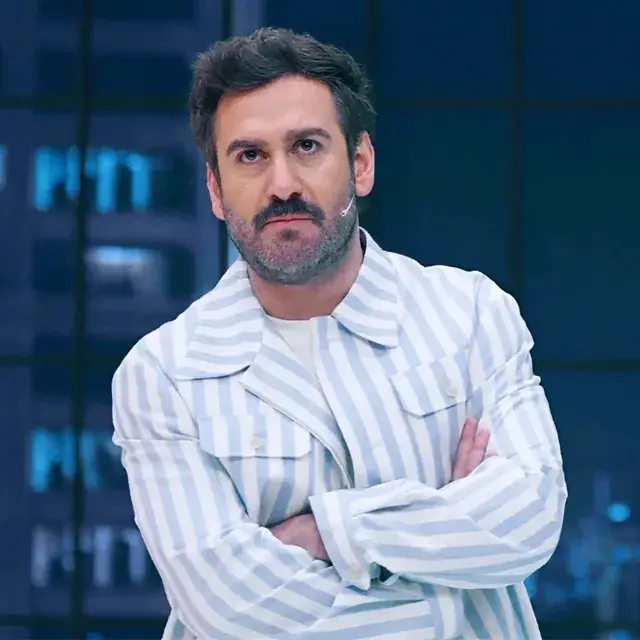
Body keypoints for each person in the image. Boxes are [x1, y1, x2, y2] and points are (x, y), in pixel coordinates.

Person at [112, 27, 567, 640]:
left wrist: (328, 531)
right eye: (250, 156)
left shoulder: (470, 314)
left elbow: (529, 519)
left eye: (307, 146)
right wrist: (446, 589)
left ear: (361, 163)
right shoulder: (163, 374)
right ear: (216, 190)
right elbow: (226, 603)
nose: (282, 185)